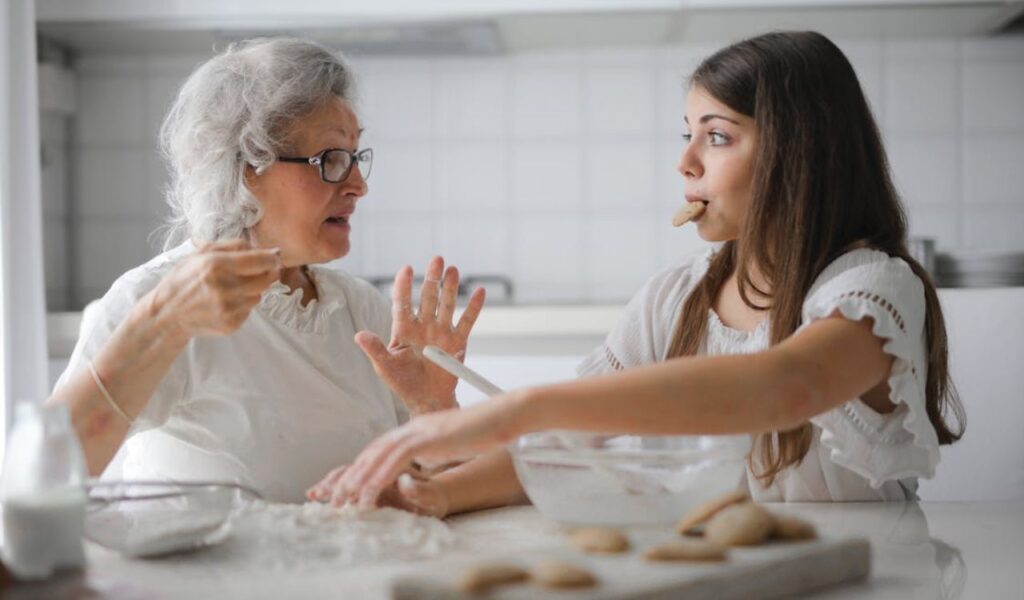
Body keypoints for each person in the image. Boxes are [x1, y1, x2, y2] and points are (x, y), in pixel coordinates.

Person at [310, 30, 966, 513]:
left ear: (798, 153)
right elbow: (573, 444)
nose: (685, 162)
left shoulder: (873, 290)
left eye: (717, 135)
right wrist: (437, 493)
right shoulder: (674, 298)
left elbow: (787, 386)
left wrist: (521, 406)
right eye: (687, 133)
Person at [48, 38, 484, 503]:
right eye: (331, 160)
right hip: (211, 576)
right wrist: (160, 325)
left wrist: (433, 408)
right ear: (244, 169)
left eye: (355, 158)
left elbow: (433, 492)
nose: (359, 185)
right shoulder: (156, 297)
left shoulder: (359, 309)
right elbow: (48, 472)